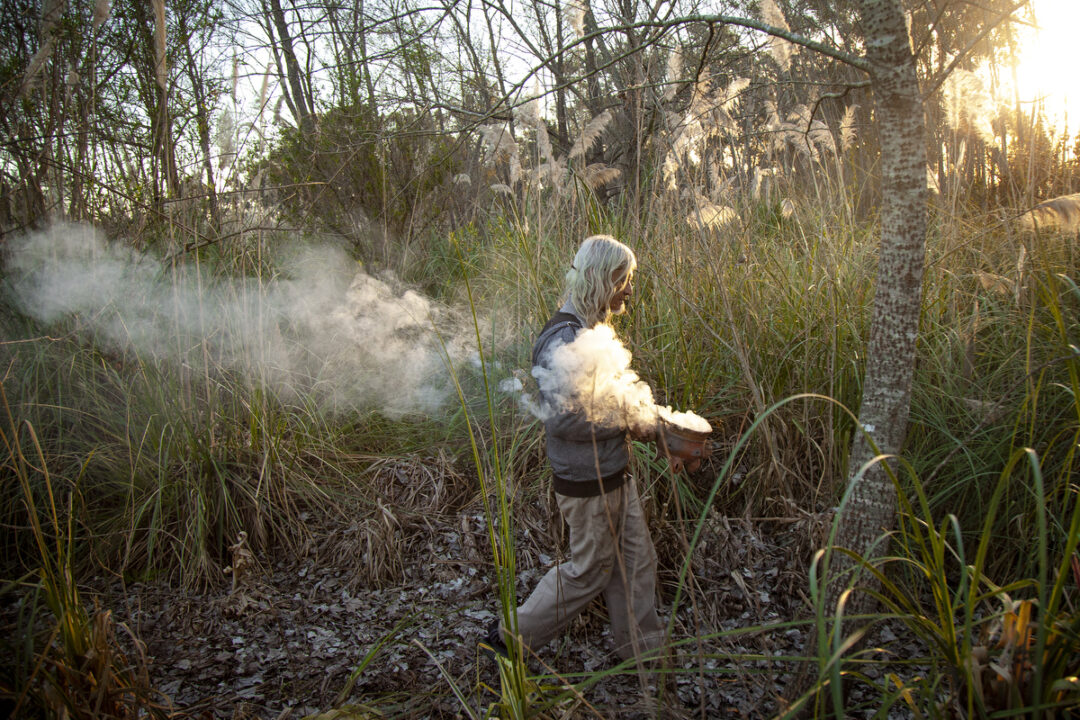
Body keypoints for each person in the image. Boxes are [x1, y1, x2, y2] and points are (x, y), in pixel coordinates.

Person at [487, 234, 664, 666]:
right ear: (602, 278)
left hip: (614, 473)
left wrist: (650, 417)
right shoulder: (562, 339)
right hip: (587, 484)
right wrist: (631, 419)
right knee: (589, 571)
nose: (628, 289)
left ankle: (645, 658)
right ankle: (509, 638)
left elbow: (601, 399)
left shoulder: (590, 330)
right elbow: (565, 418)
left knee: (637, 564)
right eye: (623, 279)